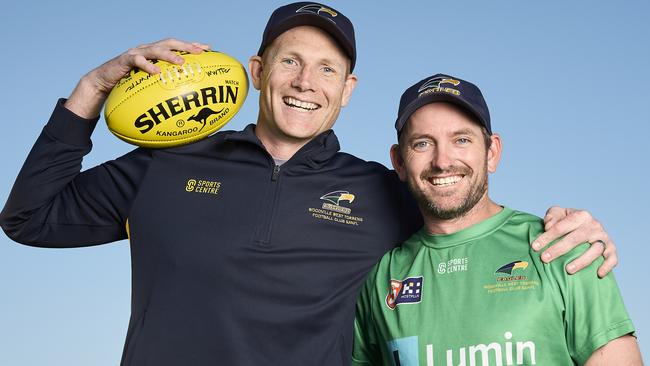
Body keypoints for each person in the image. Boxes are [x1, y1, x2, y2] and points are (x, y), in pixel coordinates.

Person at [0, 2, 617, 366]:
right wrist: (89, 92)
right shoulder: (164, 164)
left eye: (328, 68)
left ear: (348, 91)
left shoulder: (382, 189)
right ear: (258, 69)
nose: (305, 81)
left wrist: (570, 228)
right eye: (290, 60)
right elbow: (28, 219)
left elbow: (461, 206)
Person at [352, 74, 642, 365]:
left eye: (461, 139)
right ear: (399, 161)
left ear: (492, 152)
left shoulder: (565, 247)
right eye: (423, 144)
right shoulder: (382, 277)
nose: (442, 161)